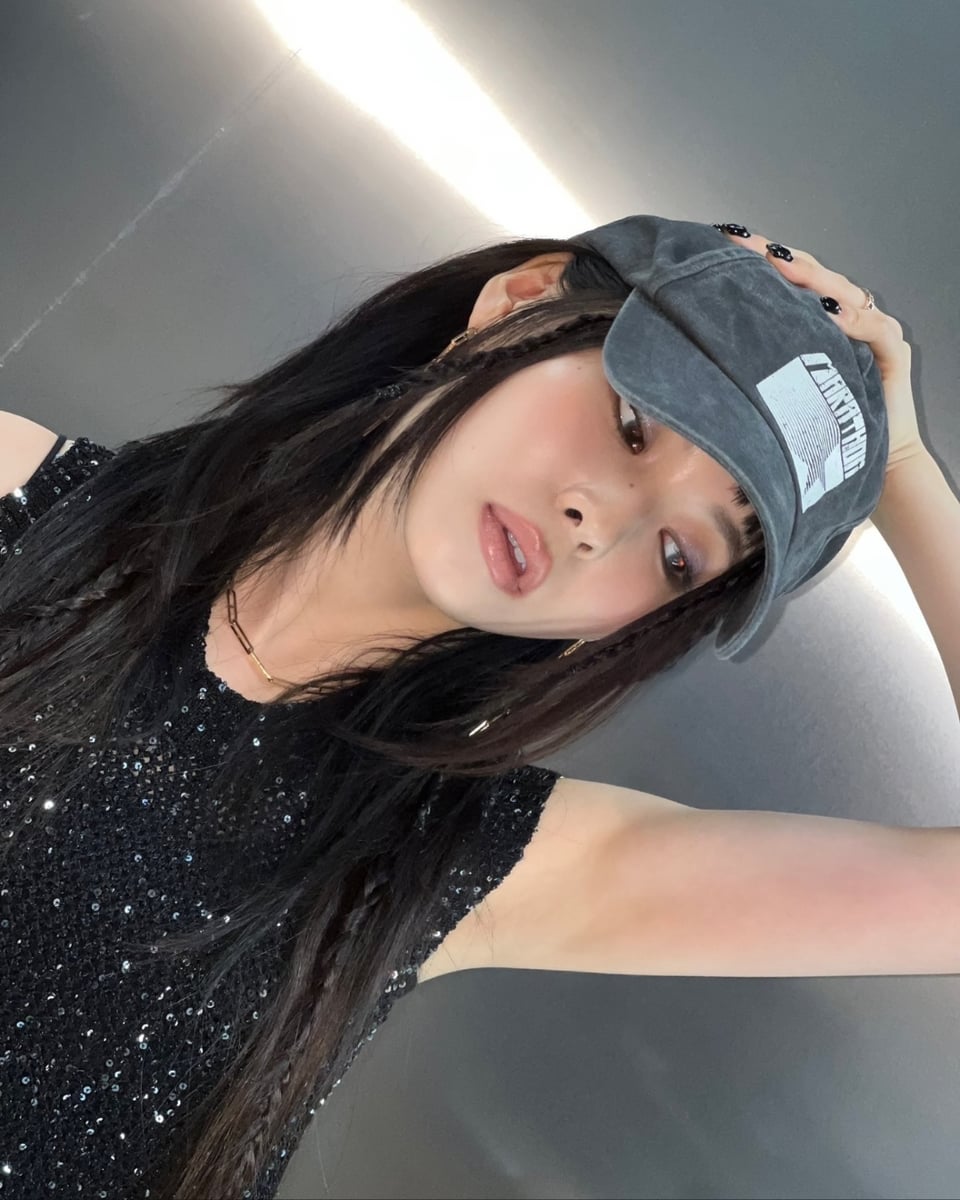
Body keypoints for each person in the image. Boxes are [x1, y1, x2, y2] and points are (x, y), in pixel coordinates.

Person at [0, 214, 954, 1200]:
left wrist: (903, 473)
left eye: (678, 554)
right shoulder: (22, 506)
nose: (600, 523)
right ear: (519, 303)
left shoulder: (453, 860)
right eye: (633, 422)